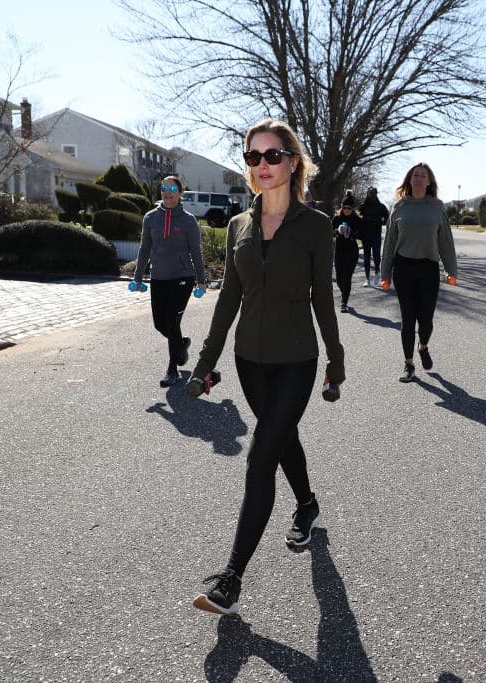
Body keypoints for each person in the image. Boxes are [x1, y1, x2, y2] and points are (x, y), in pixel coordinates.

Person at [188, 119, 345, 615]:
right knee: (283, 438)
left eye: (272, 156)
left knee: (261, 455)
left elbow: (323, 298)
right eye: (253, 157)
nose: (262, 166)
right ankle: (307, 505)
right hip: (249, 362)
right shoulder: (239, 226)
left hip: (297, 360)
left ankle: (231, 579)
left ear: (293, 161)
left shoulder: (316, 227)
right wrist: (205, 363)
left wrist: (335, 363)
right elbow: (228, 299)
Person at [379, 163, 458, 383]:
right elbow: (390, 243)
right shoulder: (399, 206)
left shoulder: (437, 207)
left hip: (429, 268)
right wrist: (385, 274)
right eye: (416, 175)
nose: (419, 178)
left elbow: (445, 240)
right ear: (409, 179)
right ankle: (409, 364)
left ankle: (423, 346)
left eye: (424, 175)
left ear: (429, 181)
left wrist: (451, 270)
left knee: (426, 319)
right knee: (407, 318)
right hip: (403, 268)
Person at [132, 175, 207, 387]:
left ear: (180, 193)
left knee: (172, 321)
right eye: (164, 187)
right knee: (160, 323)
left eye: (172, 188)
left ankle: (172, 369)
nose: (167, 191)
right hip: (158, 277)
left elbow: (195, 251)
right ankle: (181, 344)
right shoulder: (150, 218)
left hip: (182, 278)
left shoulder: (188, 220)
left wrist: (201, 279)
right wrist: (138, 276)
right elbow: (145, 248)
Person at [333, 195, 363, 312]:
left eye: (349, 208)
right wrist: (337, 231)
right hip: (339, 251)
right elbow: (330, 233)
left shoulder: (357, 220)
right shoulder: (336, 219)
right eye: (344, 207)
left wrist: (351, 233)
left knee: (346, 277)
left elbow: (362, 235)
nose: (346, 210)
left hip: (352, 251)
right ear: (341, 207)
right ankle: (344, 293)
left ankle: (344, 302)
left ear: (353, 209)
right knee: (340, 279)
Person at [359, 187, 389, 287]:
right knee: (367, 257)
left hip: (376, 234)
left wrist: (380, 222)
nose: (371, 195)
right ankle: (367, 278)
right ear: (367, 194)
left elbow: (387, 218)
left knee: (376, 256)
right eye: (370, 193)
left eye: (373, 193)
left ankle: (377, 273)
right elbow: (360, 218)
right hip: (366, 235)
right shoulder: (363, 206)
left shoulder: (381, 207)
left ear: (376, 194)